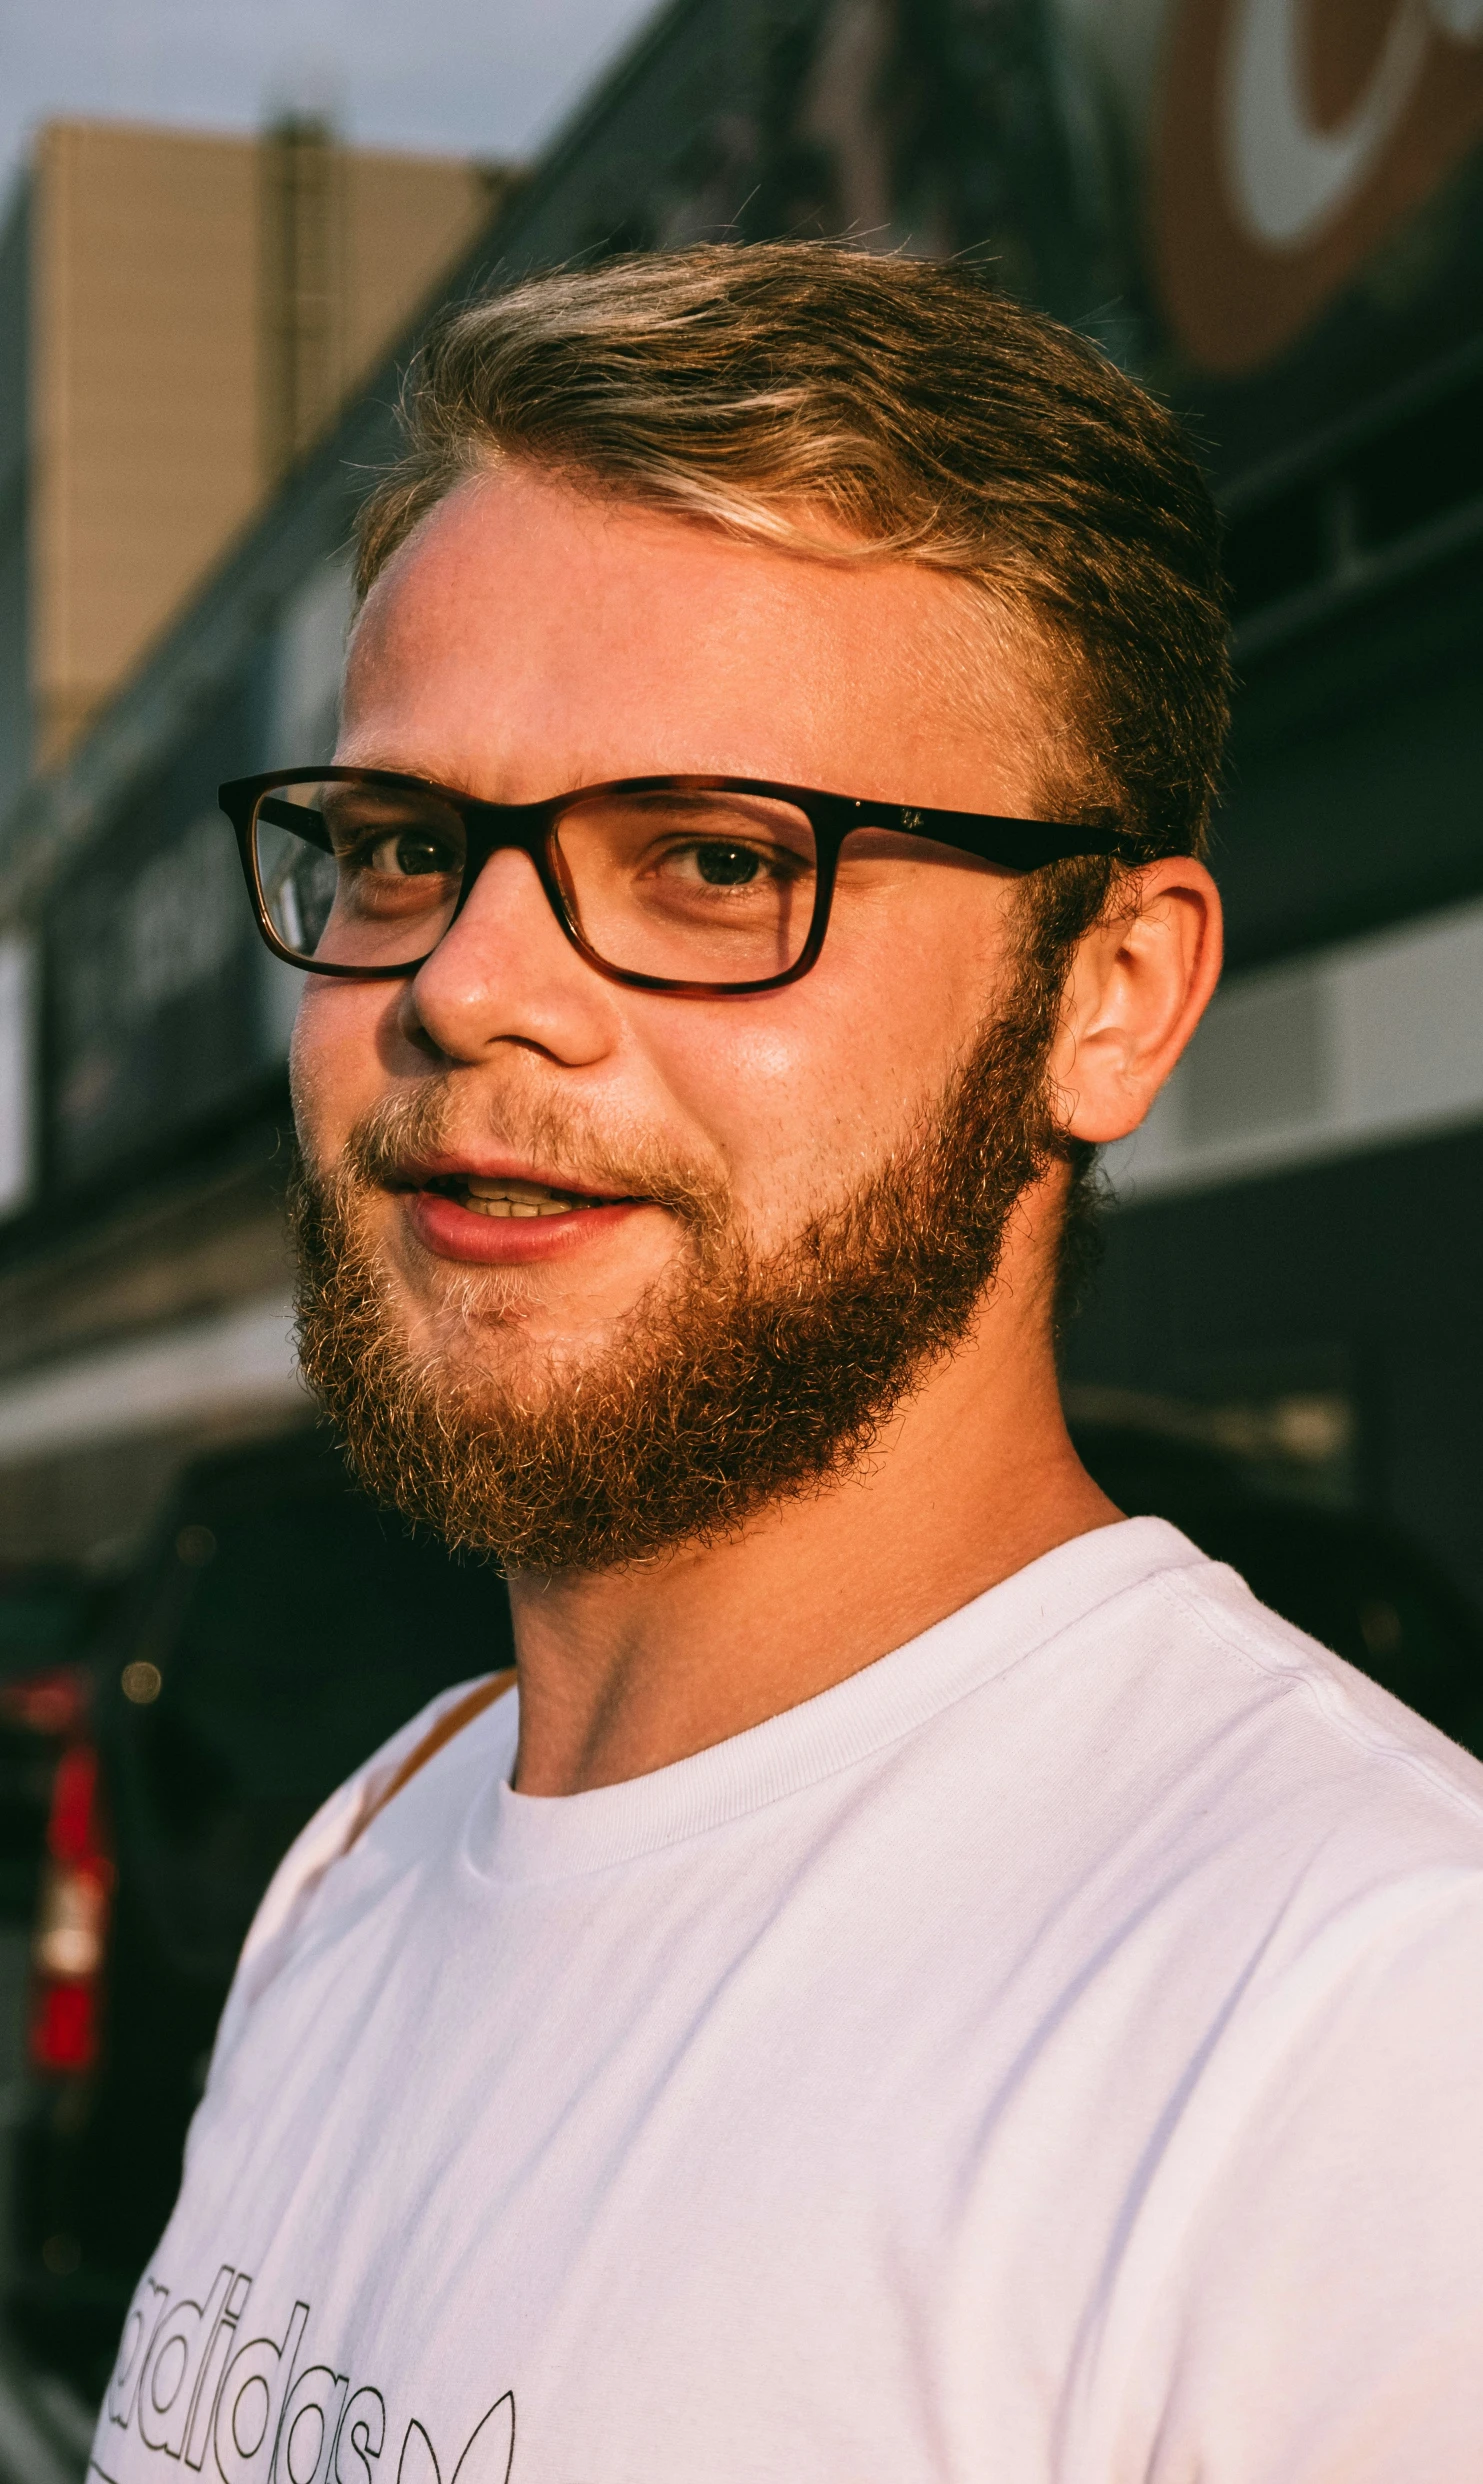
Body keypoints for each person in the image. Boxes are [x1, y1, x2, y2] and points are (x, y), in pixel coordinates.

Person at [105, 246, 1483, 2484]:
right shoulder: (363, 1864)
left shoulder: (1365, 2051)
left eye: (719, 862)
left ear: (1110, 994)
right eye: (401, 847)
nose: (473, 985)